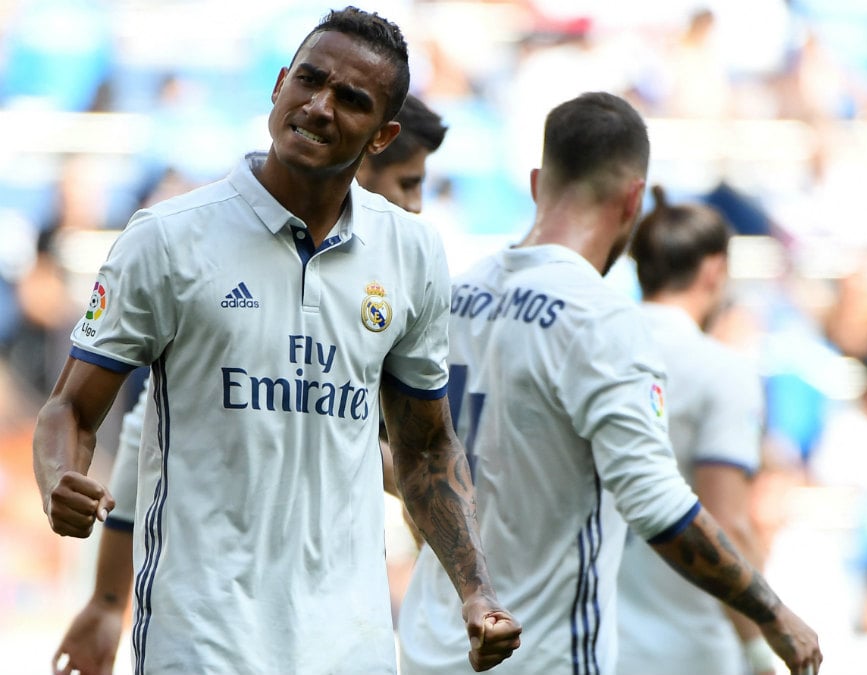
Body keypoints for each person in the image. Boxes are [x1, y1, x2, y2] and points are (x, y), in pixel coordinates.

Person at [33, 8, 520, 675]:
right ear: (279, 85)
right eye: (310, 81)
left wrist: (477, 589)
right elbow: (71, 409)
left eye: (350, 99)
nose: (319, 106)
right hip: (201, 640)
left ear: (383, 136)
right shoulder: (167, 239)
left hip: (352, 645)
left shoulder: (411, 252)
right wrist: (59, 477)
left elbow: (427, 448)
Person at [398, 91, 821, 675]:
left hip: (429, 648)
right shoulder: (600, 318)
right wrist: (774, 615)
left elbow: (404, 467)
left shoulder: (450, 295)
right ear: (634, 200)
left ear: (535, 183)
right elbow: (655, 503)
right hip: (538, 657)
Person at [615, 186, 774, 675]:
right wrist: (762, 643)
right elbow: (727, 523)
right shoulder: (722, 371)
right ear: (714, 270)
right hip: (688, 648)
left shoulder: (593, 351)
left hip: (591, 640)